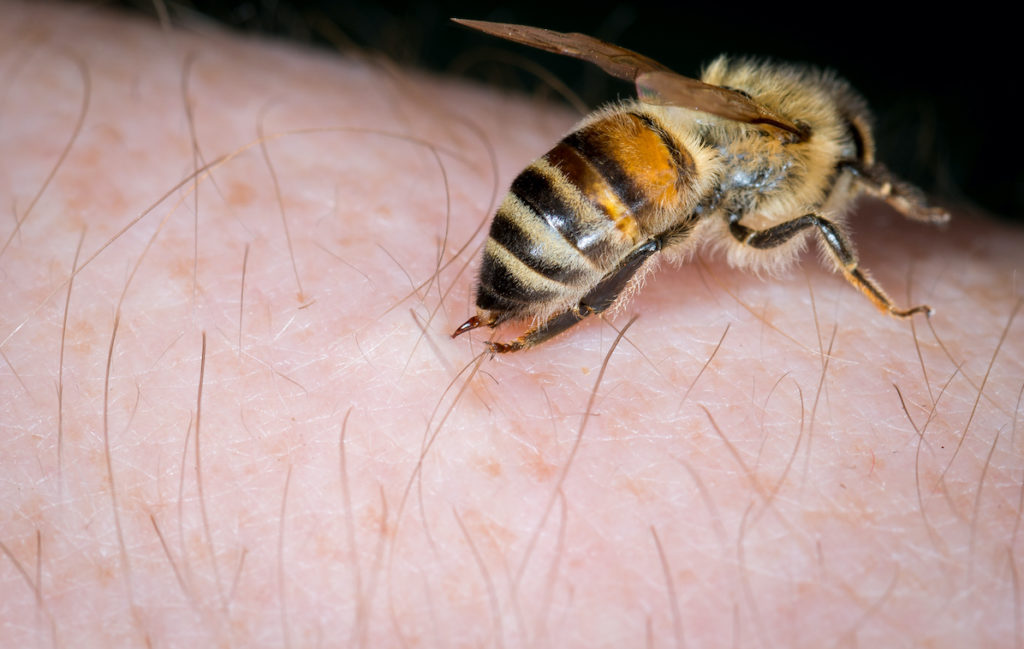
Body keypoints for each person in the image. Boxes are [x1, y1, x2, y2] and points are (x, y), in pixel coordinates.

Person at [2, 4, 1020, 647]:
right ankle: (553, 316)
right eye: (858, 169)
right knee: (661, 237)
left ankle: (539, 311)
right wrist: (883, 286)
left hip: (620, 158)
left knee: (665, 225)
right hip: (622, 188)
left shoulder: (728, 120)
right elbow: (746, 220)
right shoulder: (784, 163)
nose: (854, 186)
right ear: (820, 143)